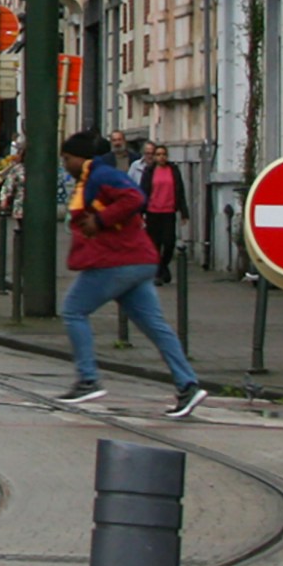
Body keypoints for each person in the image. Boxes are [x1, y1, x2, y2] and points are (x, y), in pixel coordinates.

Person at [54, 129, 205, 418]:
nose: (65, 164)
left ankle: (87, 379)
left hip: (116, 261)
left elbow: (134, 197)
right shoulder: (97, 176)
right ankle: (187, 384)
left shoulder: (100, 176)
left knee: (73, 310)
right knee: (155, 326)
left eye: (68, 158)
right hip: (138, 260)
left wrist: (100, 220)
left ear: (82, 158)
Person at [141, 141, 189, 286]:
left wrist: (184, 212)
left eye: (163, 154)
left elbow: (180, 191)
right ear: (154, 157)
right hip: (153, 212)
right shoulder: (149, 171)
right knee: (155, 244)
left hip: (168, 211)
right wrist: (140, 213)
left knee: (169, 243)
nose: (161, 157)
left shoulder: (173, 170)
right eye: (158, 154)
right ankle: (158, 273)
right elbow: (143, 192)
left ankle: (162, 266)